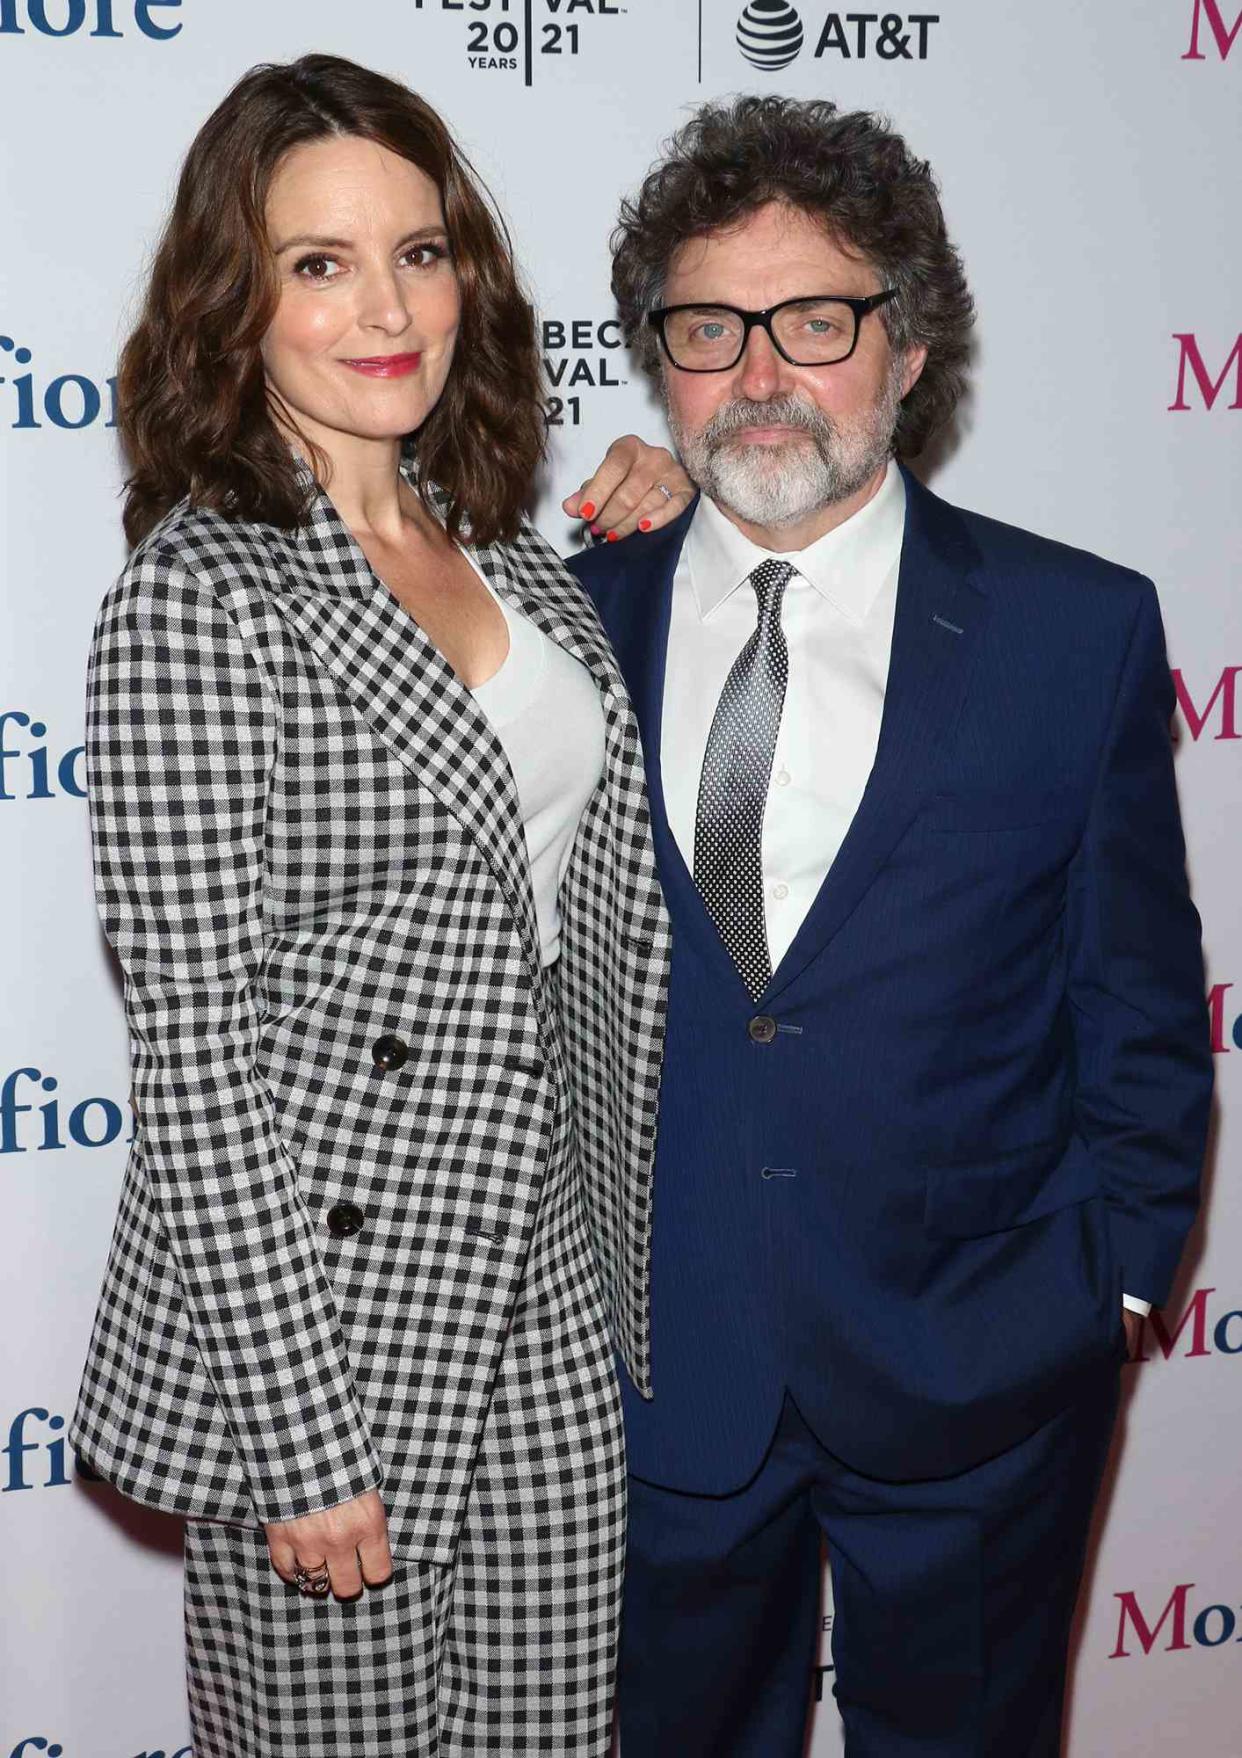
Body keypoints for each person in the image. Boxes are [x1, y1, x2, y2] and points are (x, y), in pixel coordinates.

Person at [570, 95, 1213, 1757]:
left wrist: (1122, 1277)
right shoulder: (563, 622)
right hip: (658, 1380)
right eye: (709, 326)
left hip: (983, 1368)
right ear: (658, 356)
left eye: (818, 318)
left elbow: (1134, 991)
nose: (762, 370)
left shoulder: (1070, 629)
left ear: (907, 346)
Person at [69, 52, 691, 1758]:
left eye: (419, 253)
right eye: (319, 263)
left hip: (548, 1293)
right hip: (333, 1336)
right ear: (233, 302)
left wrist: (679, 506)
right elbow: (195, 1061)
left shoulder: (513, 560)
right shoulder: (201, 599)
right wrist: (300, 1436)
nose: (385, 307)